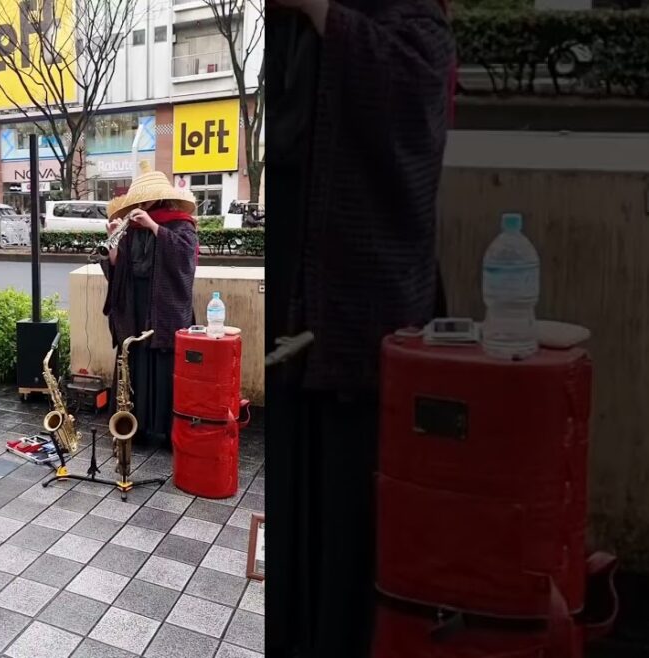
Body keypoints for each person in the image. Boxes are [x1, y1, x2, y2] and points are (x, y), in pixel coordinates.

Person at [266, 0, 456, 656]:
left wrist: (322, 15)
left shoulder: (411, 18)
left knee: (352, 540)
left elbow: (415, 99)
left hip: (359, 333)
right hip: (295, 320)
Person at [100, 162, 199, 448]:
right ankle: (135, 428)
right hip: (136, 304)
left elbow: (185, 260)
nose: (142, 205)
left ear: (160, 197)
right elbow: (119, 270)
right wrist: (114, 241)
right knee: (135, 361)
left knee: (164, 368)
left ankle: (168, 431)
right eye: (138, 201)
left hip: (165, 307)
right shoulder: (130, 227)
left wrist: (155, 226)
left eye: (146, 199)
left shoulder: (181, 223)